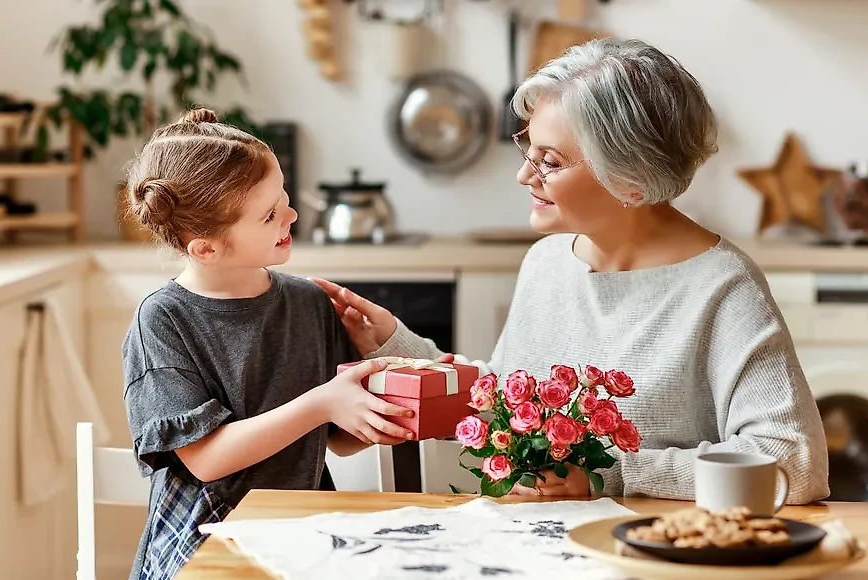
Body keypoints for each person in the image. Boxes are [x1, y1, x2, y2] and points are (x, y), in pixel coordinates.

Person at [313, 38, 829, 503]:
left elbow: (793, 462)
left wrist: (610, 474)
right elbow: (514, 400)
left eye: (550, 161)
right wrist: (395, 345)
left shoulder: (721, 286)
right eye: (527, 150)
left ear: (631, 178)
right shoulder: (548, 261)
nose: (523, 175)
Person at [121, 107, 415, 580]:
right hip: (204, 546)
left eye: (284, 199)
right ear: (206, 248)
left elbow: (334, 438)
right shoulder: (163, 320)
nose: (292, 215)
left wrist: (380, 413)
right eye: (269, 215)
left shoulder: (309, 300)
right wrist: (324, 401)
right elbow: (208, 459)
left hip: (303, 534)